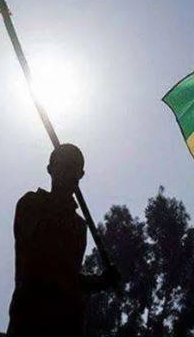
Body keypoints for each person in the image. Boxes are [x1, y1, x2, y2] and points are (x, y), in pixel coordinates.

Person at [7, 143, 118, 337]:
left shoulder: (79, 225)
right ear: (50, 169)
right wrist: (62, 205)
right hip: (30, 320)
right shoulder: (31, 203)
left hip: (68, 324)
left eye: (73, 167)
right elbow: (39, 259)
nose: (67, 173)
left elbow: (70, 277)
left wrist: (101, 281)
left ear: (80, 174)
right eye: (63, 166)